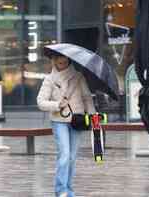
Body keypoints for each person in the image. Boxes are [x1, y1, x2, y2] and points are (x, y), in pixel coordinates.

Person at [37, 53, 96, 197]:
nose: (61, 64)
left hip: (77, 120)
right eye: (59, 62)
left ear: (69, 61)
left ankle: (69, 190)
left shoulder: (78, 77)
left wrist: (93, 116)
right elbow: (40, 102)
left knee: (72, 157)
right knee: (64, 155)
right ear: (54, 61)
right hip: (59, 121)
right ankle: (61, 190)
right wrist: (57, 104)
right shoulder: (49, 79)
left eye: (64, 62)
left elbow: (87, 98)